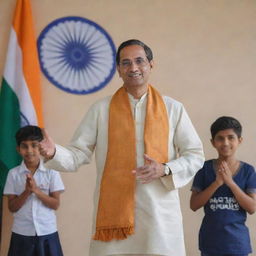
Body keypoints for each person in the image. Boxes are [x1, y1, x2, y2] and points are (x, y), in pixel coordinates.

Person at [39, 39, 204, 256]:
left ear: (151, 64)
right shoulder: (101, 109)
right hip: (113, 224)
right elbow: (79, 153)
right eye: (126, 63)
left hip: (159, 221)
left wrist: (165, 168)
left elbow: (195, 154)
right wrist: (54, 152)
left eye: (139, 61)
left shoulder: (173, 108)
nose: (133, 68)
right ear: (118, 69)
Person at [190, 116, 256, 256]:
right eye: (220, 138)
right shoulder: (204, 169)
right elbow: (194, 205)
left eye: (231, 137)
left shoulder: (248, 171)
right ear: (213, 142)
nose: (225, 143)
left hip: (237, 244)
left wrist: (231, 183)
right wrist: (217, 183)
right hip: (210, 243)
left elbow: (252, 207)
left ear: (240, 140)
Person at [3, 125, 65, 256]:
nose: (29, 150)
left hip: (47, 232)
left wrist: (36, 191)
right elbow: (12, 207)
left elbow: (55, 204)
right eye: (24, 146)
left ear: (41, 147)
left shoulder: (52, 171)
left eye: (34, 145)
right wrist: (27, 192)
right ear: (18, 149)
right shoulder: (13, 174)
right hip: (22, 233)